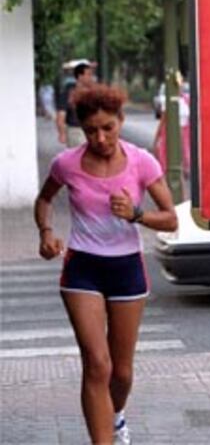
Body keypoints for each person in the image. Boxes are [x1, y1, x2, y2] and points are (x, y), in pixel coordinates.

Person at [34, 84, 177, 445]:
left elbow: (171, 218)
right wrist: (46, 232)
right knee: (98, 364)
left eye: (108, 128)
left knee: (122, 373)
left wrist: (137, 214)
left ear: (121, 121)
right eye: (91, 130)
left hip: (127, 268)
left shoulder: (142, 161)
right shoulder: (66, 163)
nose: (100, 137)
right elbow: (44, 199)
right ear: (82, 129)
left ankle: (116, 416)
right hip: (82, 267)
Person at [153, 80, 190, 179]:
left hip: (185, 133)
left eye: (179, 86)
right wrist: (156, 139)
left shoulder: (186, 100)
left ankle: (185, 170)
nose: (179, 88)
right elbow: (162, 122)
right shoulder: (167, 101)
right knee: (169, 163)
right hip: (171, 134)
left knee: (185, 158)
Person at [56, 60, 96, 147]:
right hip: (76, 131)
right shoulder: (68, 93)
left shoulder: (93, 92)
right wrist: (62, 133)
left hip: (90, 130)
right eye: (88, 74)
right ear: (80, 76)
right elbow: (61, 114)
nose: (91, 77)